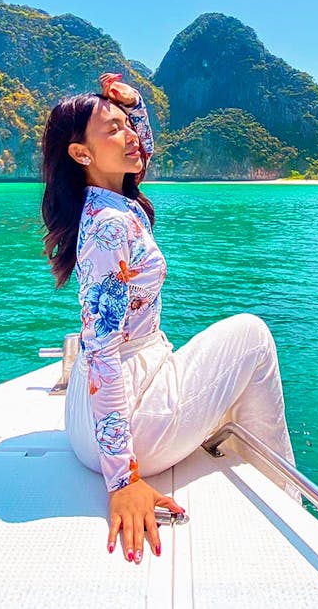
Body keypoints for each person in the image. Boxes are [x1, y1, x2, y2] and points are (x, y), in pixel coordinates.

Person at [39, 71, 301, 567]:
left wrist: (132, 105)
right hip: (125, 429)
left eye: (129, 126)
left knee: (207, 350)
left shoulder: (109, 201)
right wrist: (124, 481)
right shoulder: (113, 226)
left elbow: (140, 150)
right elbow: (100, 355)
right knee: (253, 335)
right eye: (113, 130)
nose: (132, 136)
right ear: (81, 154)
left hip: (92, 421)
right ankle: (289, 501)